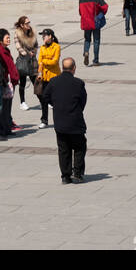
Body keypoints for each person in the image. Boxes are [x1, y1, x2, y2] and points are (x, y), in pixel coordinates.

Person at [44, 56, 88, 184]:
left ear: (63, 68)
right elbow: (83, 101)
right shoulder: (79, 83)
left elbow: (45, 96)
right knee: (79, 146)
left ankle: (65, 175)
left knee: (63, 148)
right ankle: (78, 173)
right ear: (74, 68)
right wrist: (77, 109)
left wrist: (56, 105)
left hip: (60, 121)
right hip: (75, 121)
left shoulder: (53, 81)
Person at [0, 28, 21, 135]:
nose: (9, 39)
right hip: (7, 83)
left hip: (12, 82)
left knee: (8, 107)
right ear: (1, 40)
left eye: (9, 37)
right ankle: (3, 129)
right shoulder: (0, 51)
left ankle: (7, 128)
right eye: (7, 38)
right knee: (4, 107)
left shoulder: (6, 50)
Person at [13, 15, 39, 111]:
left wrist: (34, 52)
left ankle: (43, 100)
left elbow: (36, 44)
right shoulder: (17, 33)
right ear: (22, 25)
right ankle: (22, 102)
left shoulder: (32, 32)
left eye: (29, 22)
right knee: (22, 83)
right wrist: (27, 54)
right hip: (23, 60)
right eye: (27, 23)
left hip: (32, 61)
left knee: (36, 81)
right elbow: (18, 47)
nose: (29, 24)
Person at [79, 0, 109, 66]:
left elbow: (80, 12)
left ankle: (86, 52)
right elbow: (105, 7)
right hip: (95, 22)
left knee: (87, 39)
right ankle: (96, 60)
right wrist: (100, 15)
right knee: (96, 41)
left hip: (86, 22)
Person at [37, 27, 61, 127]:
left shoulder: (56, 47)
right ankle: (44, 120)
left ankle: (59, 119)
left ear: (50, 36)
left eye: (44, 35)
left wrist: (44, 61)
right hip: (44, 77)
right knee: (43, 99)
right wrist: (39, 72)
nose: (43, 37)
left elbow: (54, 62)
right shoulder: (42, 47)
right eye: (42, 36)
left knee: (55, 99)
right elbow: (39, 61)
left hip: (54, 76)